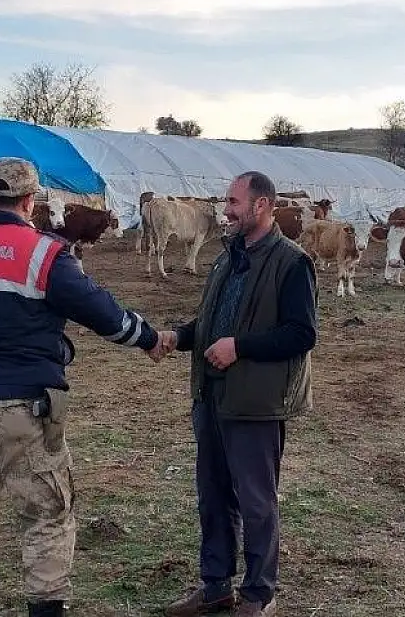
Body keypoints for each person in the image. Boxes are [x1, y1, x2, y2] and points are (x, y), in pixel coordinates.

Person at [0, 156, 168, 617]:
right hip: (26, 404)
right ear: (29, 201)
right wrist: (147, 338)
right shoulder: (44, 252)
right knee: (46, 513)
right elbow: (101, 312)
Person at [156, 171, 318, 617]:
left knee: (256, 501)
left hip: (256, 403)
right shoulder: (228, 257)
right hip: (212, 396)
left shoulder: (291, 262)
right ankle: (215, 586)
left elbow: (301, 335)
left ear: (261, 205)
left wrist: (239, 348)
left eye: (233, 202)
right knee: (212, 495)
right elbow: (213, 325)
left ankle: (257, 594)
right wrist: (178, 336)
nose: (225, 210)